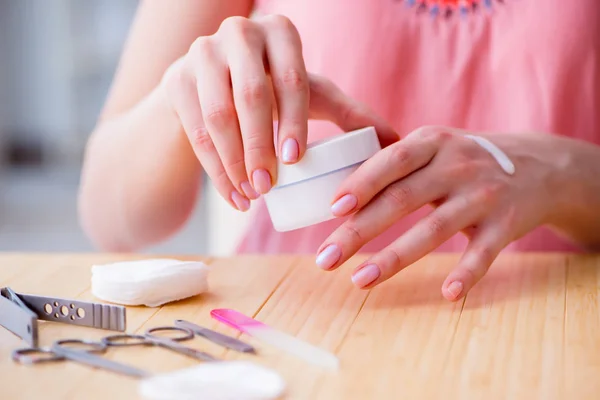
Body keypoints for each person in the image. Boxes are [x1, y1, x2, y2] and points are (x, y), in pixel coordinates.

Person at [77, 0, 600, 302]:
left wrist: (566, 173)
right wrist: (183, 96)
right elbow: (111, 220)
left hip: (550, 323)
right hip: (296, 333)